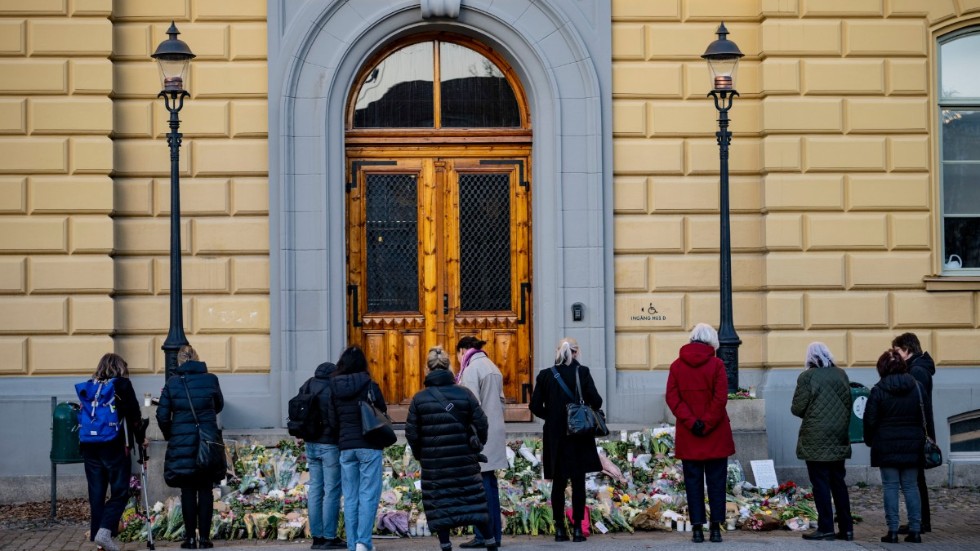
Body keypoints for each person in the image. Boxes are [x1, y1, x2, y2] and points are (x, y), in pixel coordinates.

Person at [405, 346, 496, 551]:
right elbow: (482, 423)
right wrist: (476, 445)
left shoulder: (419, 399)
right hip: (464, 460)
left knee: (441, 504)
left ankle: (445, 545)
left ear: (427, 369)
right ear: (449, 366)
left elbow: (412, 433)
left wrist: (422, 455)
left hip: (435, 464)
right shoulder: (465, 394)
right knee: (474, 502)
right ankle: (490, 543)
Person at [665, 323, 735, 544]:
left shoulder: (676, 366)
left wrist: (692, 422)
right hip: (715, 433)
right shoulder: (716, 365)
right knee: (717, 482)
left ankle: (696, 529)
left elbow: (672, 398)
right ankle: (715, 529)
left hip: (689, 433)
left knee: (693, 482)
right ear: (711, 340)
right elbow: (721, 398)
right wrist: (706, 422)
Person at [529, 337, 603, 543]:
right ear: (576, 352)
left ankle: (560, 529)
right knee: (578, 483)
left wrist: (552, 417)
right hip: (579, 435)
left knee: (558, 483)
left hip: (555, 437)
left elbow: (534, 406)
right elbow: (597, 401)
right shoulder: (583, 372)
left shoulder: (545, 375)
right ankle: (578, 529)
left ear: (557, 352)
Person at [157, 345, 225, 549]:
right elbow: (219, 404)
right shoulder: (210, 379)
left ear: (178, 361)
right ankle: (204, 539)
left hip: (182, 442)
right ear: (197, 358)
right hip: (206, 442)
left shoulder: (173, 382)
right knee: (205, 489)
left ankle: (190, 539)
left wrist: (172, 435)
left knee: (187, 490)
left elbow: (161, 415)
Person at [864, 349, 933, 543]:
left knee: (890, 487)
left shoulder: (878, 390)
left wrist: (871, 441)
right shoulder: (917, 387)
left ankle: (892, 531)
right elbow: (926, 417)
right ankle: (916, 531)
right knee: (911, 487)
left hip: (886, 446)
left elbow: (869, 421)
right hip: (913, 445)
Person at [80, 353, 146, 551]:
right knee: (120, 492)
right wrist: (141, 439)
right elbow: (134, 416)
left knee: (96, 493)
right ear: (120, 368)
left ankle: (99, 536)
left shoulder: (91, 386)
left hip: (90, 446)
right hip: (115, 447)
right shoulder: (122, 385)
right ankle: (104, 531)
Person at [790, 342, 854, 541]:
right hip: (838, 435)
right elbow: (848, 402)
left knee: (820, 484)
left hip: (815, 436)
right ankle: (847, 528)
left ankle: (826, 527)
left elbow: (797, 408)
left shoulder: (807, 377)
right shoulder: (841, 374)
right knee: (838, 483)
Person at [328, 345, 387, 551]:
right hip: (369, 445)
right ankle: (363, 541)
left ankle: (353, 544)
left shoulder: (334, 386)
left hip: (346, 447)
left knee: (351, 496)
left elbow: (332, 419)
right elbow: (382, 410)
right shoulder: (369, 384)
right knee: (368, 494)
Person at [454, 337, 508, 549]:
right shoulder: (491, 366)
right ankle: (494, 535)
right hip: (494, 430)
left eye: (458, 354)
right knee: (490, 484)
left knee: (481, 486)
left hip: (479, 435)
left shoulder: (471, 369)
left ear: (463, 350)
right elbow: (502, 402)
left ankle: (483, 536)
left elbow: (469, 405)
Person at [297, 361, 345, 550]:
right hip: (329, 445)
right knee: (332, 491)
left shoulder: (308, 384)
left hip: (311, 443)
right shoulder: (333, 388)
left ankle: (316, 537)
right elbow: (336, 417)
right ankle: (329, 537)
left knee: (316, 489)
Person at [891, 332, 935, 534]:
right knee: (915, 480)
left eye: (897, 351)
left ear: (907, 350)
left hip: (916, 431)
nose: (895, 355)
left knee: (914, 481)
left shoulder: (917, 371)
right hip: (916, 430)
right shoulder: (918, 368)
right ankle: (920, 521)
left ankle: (920, 522)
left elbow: (915, 403)